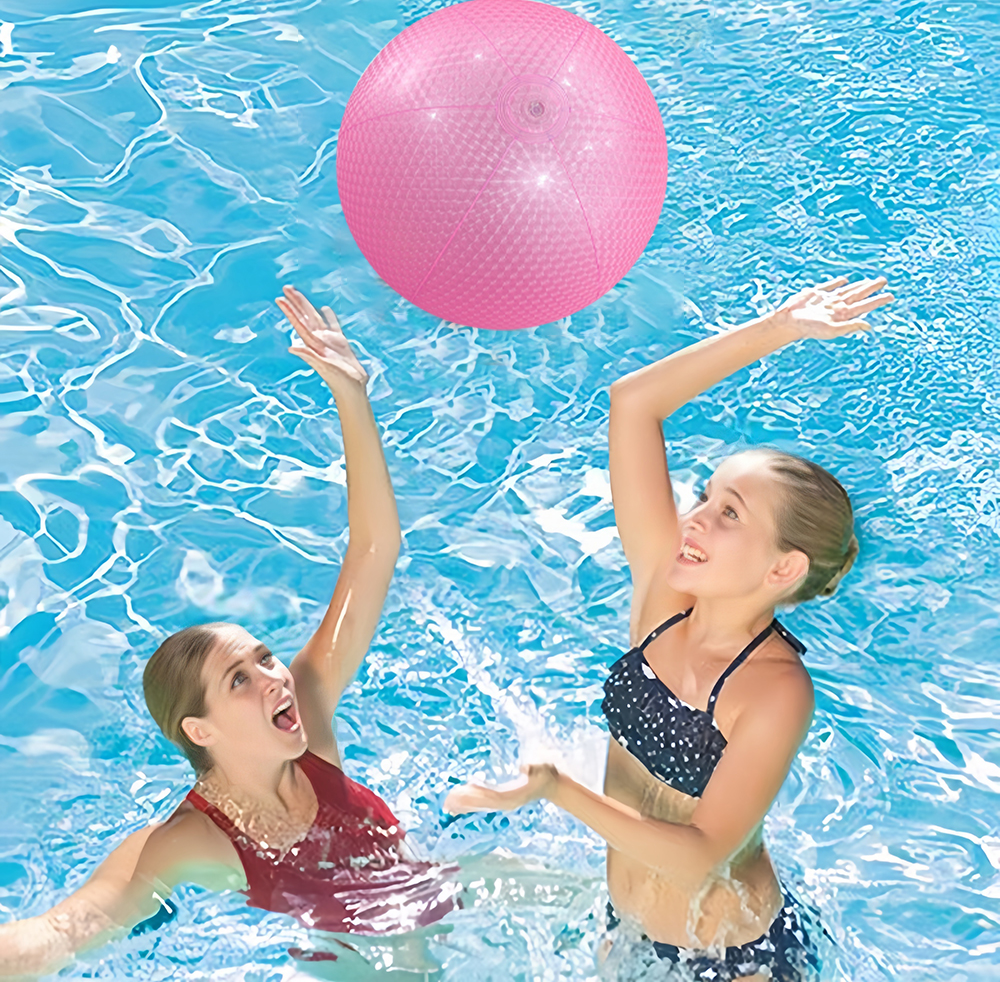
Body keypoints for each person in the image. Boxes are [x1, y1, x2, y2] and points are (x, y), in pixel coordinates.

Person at [0, 287, 461, 979]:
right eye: (239, 678)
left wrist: (352, 397)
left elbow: (375, 552)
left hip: (447, 926)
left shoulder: (308, 709)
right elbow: (63, 932)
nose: (276, 678)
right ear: (200, 729)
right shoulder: (191, 842)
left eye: (265, 658)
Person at [445, 275, 896, 981]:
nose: (694, 520)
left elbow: (701, 855)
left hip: (734, 960)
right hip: (627, 931)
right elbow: (634, 404)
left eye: (729, 514)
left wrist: (556, 789)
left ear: (783, 569)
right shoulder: (663, 597)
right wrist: (777, 329)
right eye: (705, 497)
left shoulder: (776, 691)